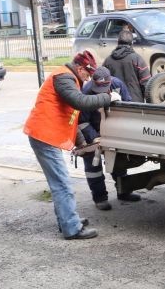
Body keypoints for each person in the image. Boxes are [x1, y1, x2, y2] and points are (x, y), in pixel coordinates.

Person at [24, 51, 113, 240]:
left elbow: (70, 115)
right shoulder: (64, 76)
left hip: (46, 135)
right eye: (88, 74)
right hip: (44, 136)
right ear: (80, 68)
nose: (89, 78)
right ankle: (72, 228)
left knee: (59, 183)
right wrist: (107, 98)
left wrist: (82, 142)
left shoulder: (70, 79)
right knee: (62, 184)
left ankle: (67, 220)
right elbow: (80, 103)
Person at [75, 66, 139, 210]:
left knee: (119, 163)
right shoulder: (86, 92)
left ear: (110, 82)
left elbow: (129, 107)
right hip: (92, 131)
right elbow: (82, 121)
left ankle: (124, 192)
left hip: (113, 130)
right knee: (93, 167)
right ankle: (100, 198)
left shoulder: (117, 85)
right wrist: (94, 138)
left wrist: (121, 103)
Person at [103, 29, 151, 103]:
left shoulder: (108, 60)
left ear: (118, 42)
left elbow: (103, 83)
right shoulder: (137, 59)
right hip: (135, 103)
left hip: (116, 103)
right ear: (132, 43)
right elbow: (146, 83)